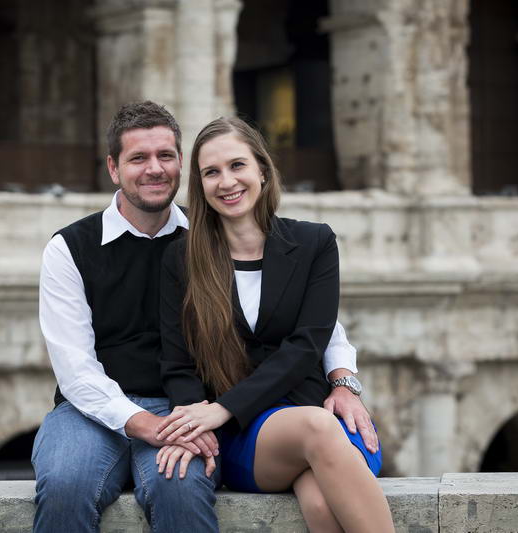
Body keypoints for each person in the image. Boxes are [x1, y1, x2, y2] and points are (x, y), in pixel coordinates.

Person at [32, 101, 376, 533]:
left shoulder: (212, 231)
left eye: (166, 156)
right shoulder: (69, 248)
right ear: (114, 168)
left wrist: (342, 378)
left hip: (190, 405)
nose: (154, 169)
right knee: (66, 483)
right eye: (138, 158)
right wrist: (146, 424)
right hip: (89, 409)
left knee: (180, 486)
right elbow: (75, 369)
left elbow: (313, 321)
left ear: (181, 165)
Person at [157, 117, 395, 532]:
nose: (226, 181)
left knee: (321, 506)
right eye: (211, 172)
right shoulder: (181, 260)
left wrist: (343, 382)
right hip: (241, 433)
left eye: (237, 165)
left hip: (319, 418)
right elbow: (178, 363)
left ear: (262, 171)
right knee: (316, 429)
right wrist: (203, 417)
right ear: (200, 186)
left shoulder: (315, 243)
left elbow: (308, 344)